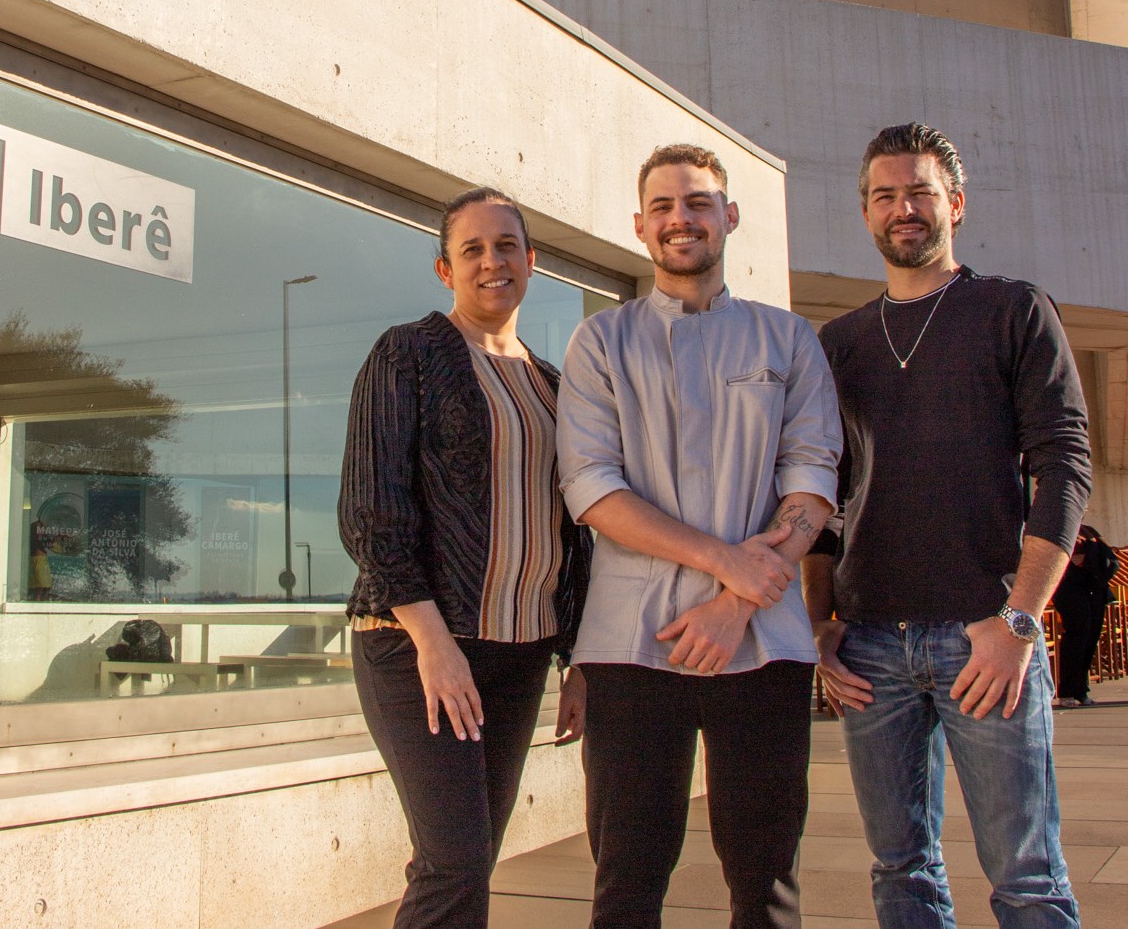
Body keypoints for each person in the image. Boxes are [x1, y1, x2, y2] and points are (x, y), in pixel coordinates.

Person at [804, 123, 1093, 928]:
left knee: (1026, 877)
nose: (903, 208)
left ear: (954, 204)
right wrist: (818, 623)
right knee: (899, 870)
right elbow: (825, 498)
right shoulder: (841, 343)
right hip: (868, 649)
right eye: (885, 195)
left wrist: (1018, 619)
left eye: (920, 192)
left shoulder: (1010, 309)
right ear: (865, 212)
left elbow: (1063, 466)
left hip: (984, 636)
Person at [557, 144, 841, 928]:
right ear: (640, 226)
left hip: (766, 642)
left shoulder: (788, 340)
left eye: (698, 202)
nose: (680, 218)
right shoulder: (601, 343)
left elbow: (813, 480)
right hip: (629, 643)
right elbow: (591, 487)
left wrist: (734, 604)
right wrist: (726, 566)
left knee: (765, 876)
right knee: (627, 875)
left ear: (730, 215)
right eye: (663, 206)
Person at [338, 186, 591, 929]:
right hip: (419, 646)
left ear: (531, 261)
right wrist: (432, 640)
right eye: (472, 249)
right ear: (445, 270)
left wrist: (575, 657)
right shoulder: (407, 353)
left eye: (505, 246)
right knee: (453, 862)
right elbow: (370, 512)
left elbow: (575, 532)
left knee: (468, 858)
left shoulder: (551, 383)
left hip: (519, 653)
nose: (491, 261)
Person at [1054, 524, 1119, 708]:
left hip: (1094, 588)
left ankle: (1081, 690)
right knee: (1077, 637)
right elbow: (1072, 558)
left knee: (1091, 637)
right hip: (1070, 589)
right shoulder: (1059, 527)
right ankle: (1067, 692)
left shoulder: (1089, 530)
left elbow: (1109, 559)